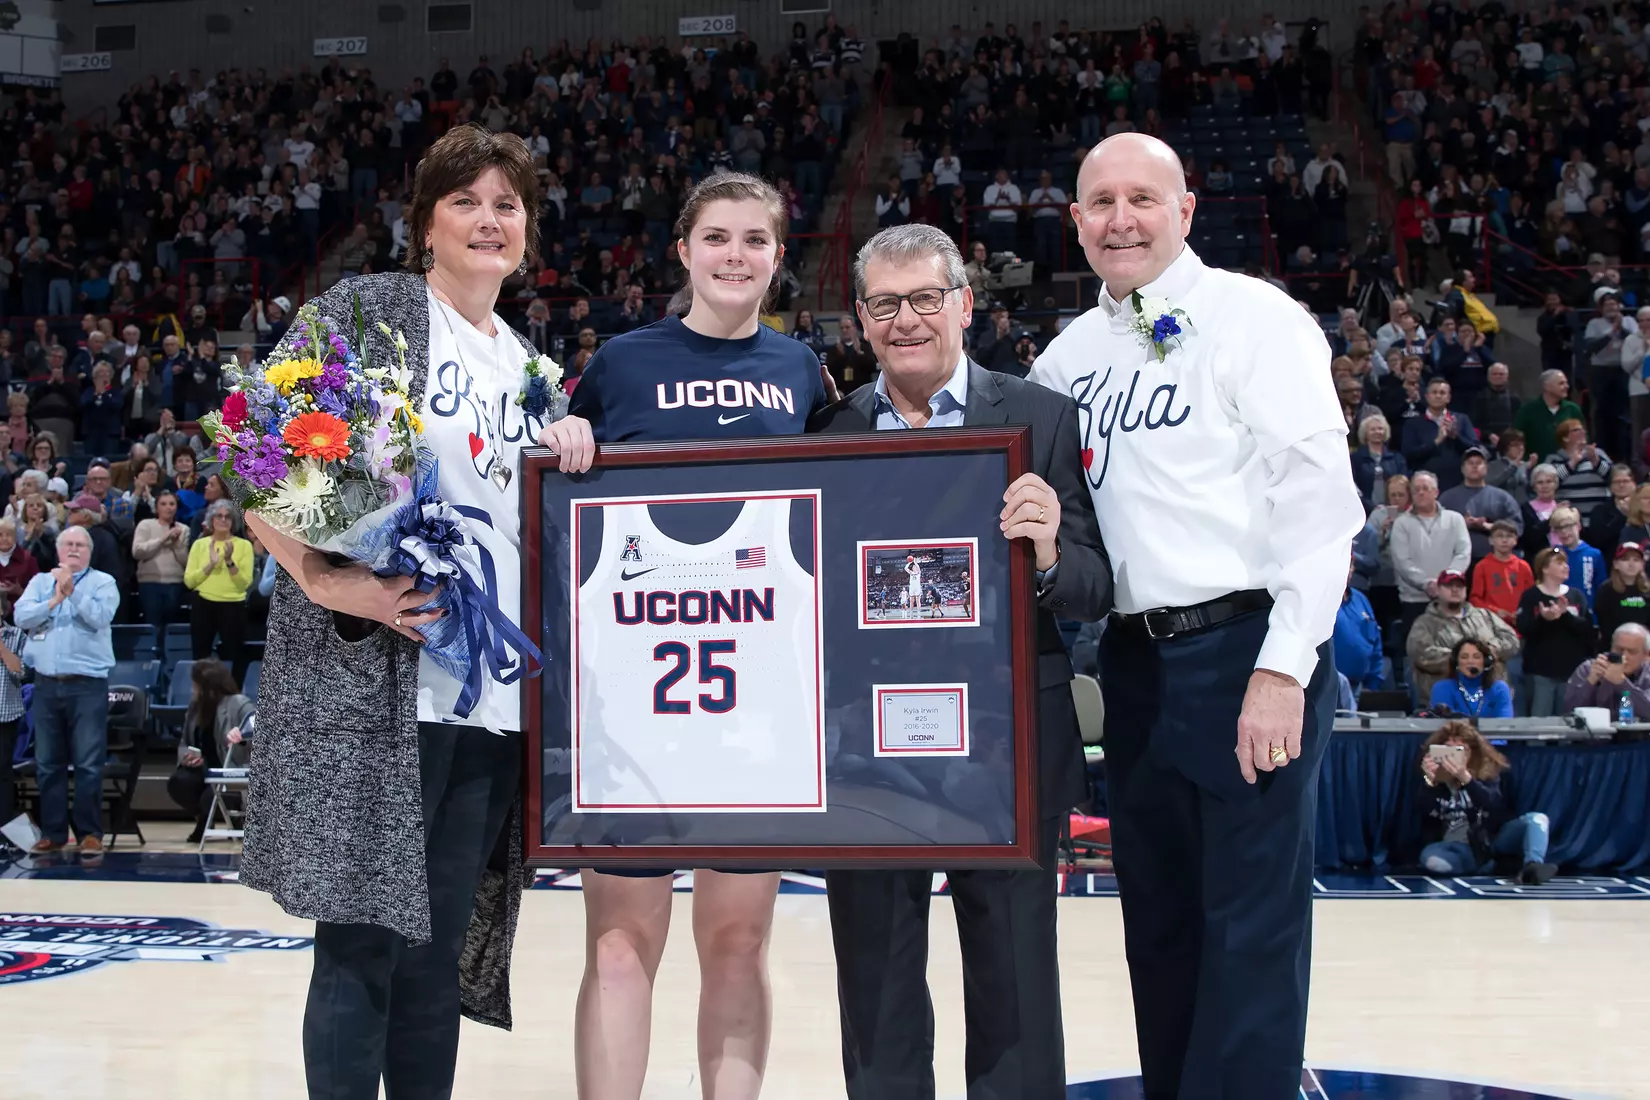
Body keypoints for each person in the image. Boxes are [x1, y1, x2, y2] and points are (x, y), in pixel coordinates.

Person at [1025, 133, 1365, 1098]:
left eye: (1142, 198)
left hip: (1247, 651)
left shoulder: (1255, 319)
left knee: (1249, 927)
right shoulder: (1066, 360)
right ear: (1077, 222)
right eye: (1100, 202)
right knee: (1162, 923)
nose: (1120, 219)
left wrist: (1283, 666)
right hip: (1133, 663)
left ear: (1185, 208)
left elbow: (1320, 507)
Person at [238, 124, 547, 1098]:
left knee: (432, 957)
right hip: (381, 691)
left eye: (507, 203)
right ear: (424, 226)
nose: (489, 219)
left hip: (488, 709)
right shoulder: (371, 311)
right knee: (363, 945)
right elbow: (253, 449)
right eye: (466, 201)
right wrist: (332, 582)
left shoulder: (535, 372)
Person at [536, 171, 829, 1100]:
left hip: (756, 702)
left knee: (739, 943)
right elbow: (560, 489)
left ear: (778, 259)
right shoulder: (622, 363)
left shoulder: (800, 372)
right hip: (634, 705)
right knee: (621, 945)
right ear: (683, 251)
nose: (734, 256)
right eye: (716, 238)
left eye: (754, 240)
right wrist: (568, 432)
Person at [806, 224, 1113, 1098]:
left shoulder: (1041, 418)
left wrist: (1051, 551)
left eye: (925, 298)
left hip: (1005, 744)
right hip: (865, 754)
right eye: (884, 303)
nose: (906, 320)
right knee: (876, 987)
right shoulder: (828, 433)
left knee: (1016, 985)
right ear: (861, 321)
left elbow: (1096, 585)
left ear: (965, 305)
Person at [15, 525, 119, 856]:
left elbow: (101, 617)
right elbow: (20, 616)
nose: (74, 549)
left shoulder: (103, 582)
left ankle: (90, 833)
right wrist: (54, 600)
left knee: (88, 763)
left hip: (87, 685)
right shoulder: (40, 582)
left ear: (89, 551)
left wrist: (72, 592)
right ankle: (54, 833)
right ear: (59, 550)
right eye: (68, 544)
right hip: (45, 684)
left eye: (80, 544)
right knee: (48, 763)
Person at [1415, 719, 1557, 884]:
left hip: (1493, 839)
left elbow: (1493, 805)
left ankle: (1533, 866)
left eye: (1460, 750)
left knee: (1537, 820)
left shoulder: (1488, 774)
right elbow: (1423, 811)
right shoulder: (1432, 780)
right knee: (1431, 859)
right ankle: (1482, 866)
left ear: (1471, 753)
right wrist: (1429, 783)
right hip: (1456, 846)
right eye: (1447, 750)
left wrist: (1466, 779)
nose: (1452, 757)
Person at [167, 657, 255, 843]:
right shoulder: (194, 708)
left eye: (195, 684)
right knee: (179, 782)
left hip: (231, 767)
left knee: (209, 798)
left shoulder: (239, 703)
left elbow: (259, 735)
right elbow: (184, 742)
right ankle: (204, 818)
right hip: (203, 769)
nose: (193, 689)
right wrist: (187, 757)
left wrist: (241, 737)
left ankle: (229, 819)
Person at [1406, 570, 1520, 704]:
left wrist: (1489, 650)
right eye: (1449, 586)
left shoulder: (1484, 615)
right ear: (1438, 590)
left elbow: (1511, 639)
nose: (1455, 590)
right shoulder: (1425, 623)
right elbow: (1421, 654)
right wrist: (1464, 657)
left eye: (1459, 586)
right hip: (1447, 702)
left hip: (1490, 698)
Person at [1390, 471, 1471, 650]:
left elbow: (1463, 552)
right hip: (1414, 601)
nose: (1420, 493)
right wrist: (1427, 584)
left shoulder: (1455, 519)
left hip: (1451, 599)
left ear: (1436, 492)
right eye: (1416, 489)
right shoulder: (1401, 523)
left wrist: (1446, 583)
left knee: (1454, 651)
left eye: (1425, 488)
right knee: (1418, 654)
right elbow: (1402, 561)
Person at [1516, 548, 1595, 717]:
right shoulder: (1531, 596)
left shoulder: (1576, 595)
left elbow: (1588, 630)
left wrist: (1565, 615)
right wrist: (1544, 619)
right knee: (1539, 725)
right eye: (1559, 563)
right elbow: (1524, 629)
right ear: (1544, 568)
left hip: (1572, 673)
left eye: (1565, 563)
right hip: (1540, 672)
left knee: (1568, 723)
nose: (1565, 567)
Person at [184, 499, 253, 678]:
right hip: (203, 604)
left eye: (228, 516)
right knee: (200, 655)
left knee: (235, 655)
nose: (223, 520)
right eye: (219, 516)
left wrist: (229, 562)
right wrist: (210, 565)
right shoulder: (200, 545)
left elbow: (244, 583)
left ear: (233, 521)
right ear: (211, 520)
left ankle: (234, 697)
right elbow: (189, 581)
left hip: (233, 606)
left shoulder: (244, 546)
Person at [1438, 445, 1522, 560]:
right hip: (1456, 561)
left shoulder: (1503, 498)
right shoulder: (1447, 498)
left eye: (1479, 463)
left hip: (1495, 561)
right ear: (1462, 469)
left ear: (1486, 468)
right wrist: (1461, 525)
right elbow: (1435, 528)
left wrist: (1489, 526)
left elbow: (1517, 528)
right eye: (1470, 463)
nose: (1474, 466)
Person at [132, 488, 191, 630]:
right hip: (149, 583)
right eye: (163, 504)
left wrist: (176, 545)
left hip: (175, 583)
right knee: (152, 625)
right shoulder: (145, 525)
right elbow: (137, 552)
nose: (168, 507)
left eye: (172, 504)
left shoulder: (183, 529)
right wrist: (163, 539)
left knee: (171, 626)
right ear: (156, 507)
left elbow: (185, 561)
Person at [1428, 637, 1513, 718]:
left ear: (1486, 662)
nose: (1470, 661)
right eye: (1464, 657)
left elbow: (1504, 726)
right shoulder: (1442, 688)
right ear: (1456, 662)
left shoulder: (1499, 689)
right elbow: (1444, 727)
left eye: (1476, 657)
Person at [0, 592, 27, 840]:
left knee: (3, 774)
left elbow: (20, 671)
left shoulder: (16, 635)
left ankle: (4, 834)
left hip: (4, 715)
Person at [1591, 543, 1650, 649]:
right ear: (1616, 563)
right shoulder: (1606, 590)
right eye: (1625, 559)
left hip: (1643, 649)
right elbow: (1605, 626)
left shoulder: (1647, 590)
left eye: (1636, 560)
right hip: (1613, 648)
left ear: (1642, 564)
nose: (1631, 564)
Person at [1550, 504, 1607, 612]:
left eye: (1568, 526)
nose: (1564, 532)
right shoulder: (1553, 554)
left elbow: (1601, 587)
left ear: (1578, 526)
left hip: (1588, 613)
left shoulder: (1594, 554)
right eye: (1558, 528)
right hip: (1559, 613)